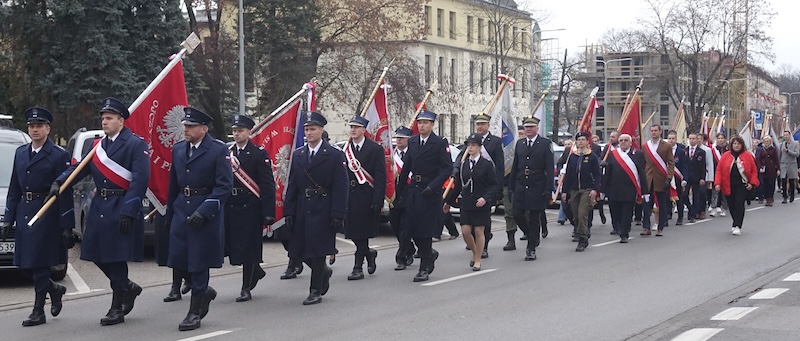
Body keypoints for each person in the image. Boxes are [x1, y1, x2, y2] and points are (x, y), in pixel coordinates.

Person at [53, 98, 150, 326]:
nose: (104, 122)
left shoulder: (135, 144)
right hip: (99, 206)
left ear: (121, 121)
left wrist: (129, 209)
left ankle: (117, 306)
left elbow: (140, 179)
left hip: (120, 204)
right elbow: (79, 169)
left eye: (109, 118)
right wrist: (59, 182)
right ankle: (128, 287)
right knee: (94, 253)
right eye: (103, 118)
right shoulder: (98, 146)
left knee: (115, 256)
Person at [2, 107, 74, 326]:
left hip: (46, 213)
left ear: (48, 129)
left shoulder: (58, 154)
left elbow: (65, 191)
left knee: (39, 263)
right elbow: (15, 187)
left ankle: (38, 311)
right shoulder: (21, 152)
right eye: (32, 126)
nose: (35, 130)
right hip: (25, 211)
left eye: (39, 126)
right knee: (30, 264)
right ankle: (54, 289)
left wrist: (66, 225)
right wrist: (8, 218)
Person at [165, 107, 233, 330]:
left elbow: (224, 187)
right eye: (185, 125)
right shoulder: (178, 150)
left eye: (191, 126)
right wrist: (170, 210)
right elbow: (174, 183)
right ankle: (204, 291)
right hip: (181, 210)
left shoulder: (217, 150)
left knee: (198, 262)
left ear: (203, 129)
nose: (186, 129)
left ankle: (194, 312)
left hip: (204, 211)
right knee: (177, 258)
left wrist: (204, 211)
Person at [284, 111, 346, 304]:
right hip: (303, 206)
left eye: (312, 129)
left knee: (318, 251)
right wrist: (289, 211)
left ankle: (315, 290)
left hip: (323, 206)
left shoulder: (334, 155)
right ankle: (323, 273)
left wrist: (337, 213)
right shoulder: (298, 154)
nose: (308, 133)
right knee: (298, 250)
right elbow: (292, 184)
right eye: (306, 130)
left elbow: (340, 186)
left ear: (321, 130)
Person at [396, 110, 452, 282]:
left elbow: (447, 169)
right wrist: (398, 192)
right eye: (419, 122)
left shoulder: (439, 142)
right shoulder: (412, 141)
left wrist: (434, 186)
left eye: (425, 123)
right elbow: (407, 167)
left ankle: (424, 267)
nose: (422, 126)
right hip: (414, 189)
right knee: (410, 228)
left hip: (430, 191)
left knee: (425, 230)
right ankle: (429, 253)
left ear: (432, 124)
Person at [225, 115, 275, 302]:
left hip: (250, 206)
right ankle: (257, 270)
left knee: (248, 248)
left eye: (240, 131)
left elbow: (267, 185)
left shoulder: (258, 154)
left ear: (249, 132)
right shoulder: (228, 153)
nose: (236, 134)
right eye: (234, 131)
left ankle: (246, 286)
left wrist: (268, 212)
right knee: (233, 246)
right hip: (231, 205)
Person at [445, 134, 501, 271]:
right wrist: (448, 202)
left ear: (480, 148)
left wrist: (485, 198)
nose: (470, 148)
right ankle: (475, 252)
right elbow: (458, 185)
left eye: (473, 145)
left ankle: (477, 259)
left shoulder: (486, 165)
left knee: (478, 231)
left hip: (481, 202)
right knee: (465, 231)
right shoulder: (463, 165)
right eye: (468, 145)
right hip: (467, 203)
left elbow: (494, 185)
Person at [343, 116, 386, 280]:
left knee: (361, 232)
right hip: (349, 196)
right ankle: (369, 253)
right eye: (351, 127)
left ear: (364, 130)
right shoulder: (346, 149)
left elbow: (380, 177)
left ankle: (357, 267)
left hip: (366, 195)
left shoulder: (375, 149)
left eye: (356, 127)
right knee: (352, 233)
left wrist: (377, 200)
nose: (353, 130)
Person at [509, 117, 553, 261]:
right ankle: (531, 235)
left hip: (537, 183)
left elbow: (549, 169)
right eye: (526, 127)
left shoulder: (545, 144)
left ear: (537, 128)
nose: (528, 129)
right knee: (517, 214)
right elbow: (515, 166)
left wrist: (548, 189)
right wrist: (511, 186)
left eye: (531, 127)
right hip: (521, 184)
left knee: (534, 218)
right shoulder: (520, 144)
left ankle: (531, 248)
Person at [468, 113, 503, 258]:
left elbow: (499, 166)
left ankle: (484, 245)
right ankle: (476, 242)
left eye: (483, 124)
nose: (480, 127)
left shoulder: (494, 142)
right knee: (470, 219)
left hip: (488, 186)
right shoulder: (472, 141)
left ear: (488, 125)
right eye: (478, 124)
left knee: (484, 219)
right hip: (472, 186)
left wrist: (498, 188)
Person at [601, 133, 647, 243]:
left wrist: (645, 191)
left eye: (626, 140)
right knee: (615, 212)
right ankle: (617, 227)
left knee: (627, 213)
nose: (623, 142)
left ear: (630, 143)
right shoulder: (612, 154)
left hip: (629, 189)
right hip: (614, 189)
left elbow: (642, 173)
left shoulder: (638, 154)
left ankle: (624, 233)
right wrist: (602, 189)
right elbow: (607, 173)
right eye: (621, 140)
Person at [561, 132, 601, 251]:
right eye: (579, 140)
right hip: (574, 189)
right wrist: (564, 191)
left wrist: (595, 189)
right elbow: (567, 175)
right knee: (575, 214)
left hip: (586, 189)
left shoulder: (592, 156)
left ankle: (583, 238)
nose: (581, 142)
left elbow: (597, 175)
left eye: (583, 139)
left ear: (587, 142)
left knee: (582, 213)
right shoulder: (573, 156)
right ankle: (579, 230)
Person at [714, 136, 759, 235]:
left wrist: (752, 183)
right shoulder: (726, 156)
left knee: (739, 204)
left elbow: (753, 170)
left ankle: (737, 225)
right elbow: (719, 170)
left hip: (742, 185)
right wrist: (717, 183)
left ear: (742, 145)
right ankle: (735, 221)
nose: (736, 145)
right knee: (731, 204)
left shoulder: (747, 156)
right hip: (728, 185)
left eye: (738, 144)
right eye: (734, 144)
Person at [390, 126, 416, 270]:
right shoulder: (391, 155)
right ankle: (410, 248)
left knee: (405, 229)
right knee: (395, 226)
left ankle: (402, 257)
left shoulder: (413, 154)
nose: (398, 140)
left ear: (408, 140)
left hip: (408, 195)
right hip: (394, 196)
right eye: (397, 137)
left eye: (402, 138)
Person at [641, 124, 674, 237]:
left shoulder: (666, 146)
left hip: (661, 178)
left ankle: (660, 227)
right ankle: (646, 227)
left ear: (660, 132)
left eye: (656, 130)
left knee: (662, 204)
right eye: (652, 131)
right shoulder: (645, 146)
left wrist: (669, 178)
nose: (654, 132)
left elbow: (670, 163)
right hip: (648, 179)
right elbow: (643, 163)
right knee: (646, 204)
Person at [667, 131, 688, 225]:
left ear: (676, 139)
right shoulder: (664, 150)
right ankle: (667, 214)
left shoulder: (681, 152)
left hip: (678, 178)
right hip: (668, 177)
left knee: (679, 198)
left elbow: (685, 166)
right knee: (667, 198)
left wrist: (684, 178)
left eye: (673, 138)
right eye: (669, 138)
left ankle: (680, 217)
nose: (671, 140)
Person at [686, 133, 708, 222]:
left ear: (697, 140)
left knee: (696, 196)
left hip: (697, 177)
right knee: (684, 196)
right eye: (690, 138)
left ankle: (693, 214)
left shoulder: (701, 152)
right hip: (686, 177)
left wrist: (703, 178)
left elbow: (703, 166)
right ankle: (690, 208)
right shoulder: (685, 150)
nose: (692, 140)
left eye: (694, 138)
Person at [757, 136, 780, 206]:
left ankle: (770, 198)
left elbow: (776, 159)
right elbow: (759, 160)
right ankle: (766, 197)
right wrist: (760, 167)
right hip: (764, 170)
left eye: (768, 141)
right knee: (765, 185)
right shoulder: (761, 150)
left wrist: (778, 169)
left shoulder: (773, 149)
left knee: (771, 184)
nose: (766, 143)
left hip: (772, 169)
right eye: (765, 141)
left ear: (770, 142)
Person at [556, 139, 574, 226]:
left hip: (574, 182)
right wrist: (561, 171)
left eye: (569, 144)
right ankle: (562, 218)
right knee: (564, 202)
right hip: (564, 181)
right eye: (565, 144)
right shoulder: (566, 152)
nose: (567, 146)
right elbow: (559, 163)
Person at [698, 134, 715, 219]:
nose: (697, 140)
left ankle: (702, 210)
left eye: (700, 138)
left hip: (705, 175)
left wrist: (710, 178)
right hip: (694, 175)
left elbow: (710, 164)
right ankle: (696, 210)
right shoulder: (690, 149)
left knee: (702, 193)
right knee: (695, 194)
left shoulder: (707, 150)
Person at [779, 130, 799, 203]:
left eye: (787, 135)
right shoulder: (782, 144)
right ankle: (784, 196)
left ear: (790, 135)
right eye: (784, 135)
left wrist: (788, 151)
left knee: (791, 181)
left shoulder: (795, 144)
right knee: (783, 181)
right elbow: (780, 155)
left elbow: (797, 154)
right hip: (783, 164)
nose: (786, 137)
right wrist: (779, 166)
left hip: (791, 164)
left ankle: (792, 195)